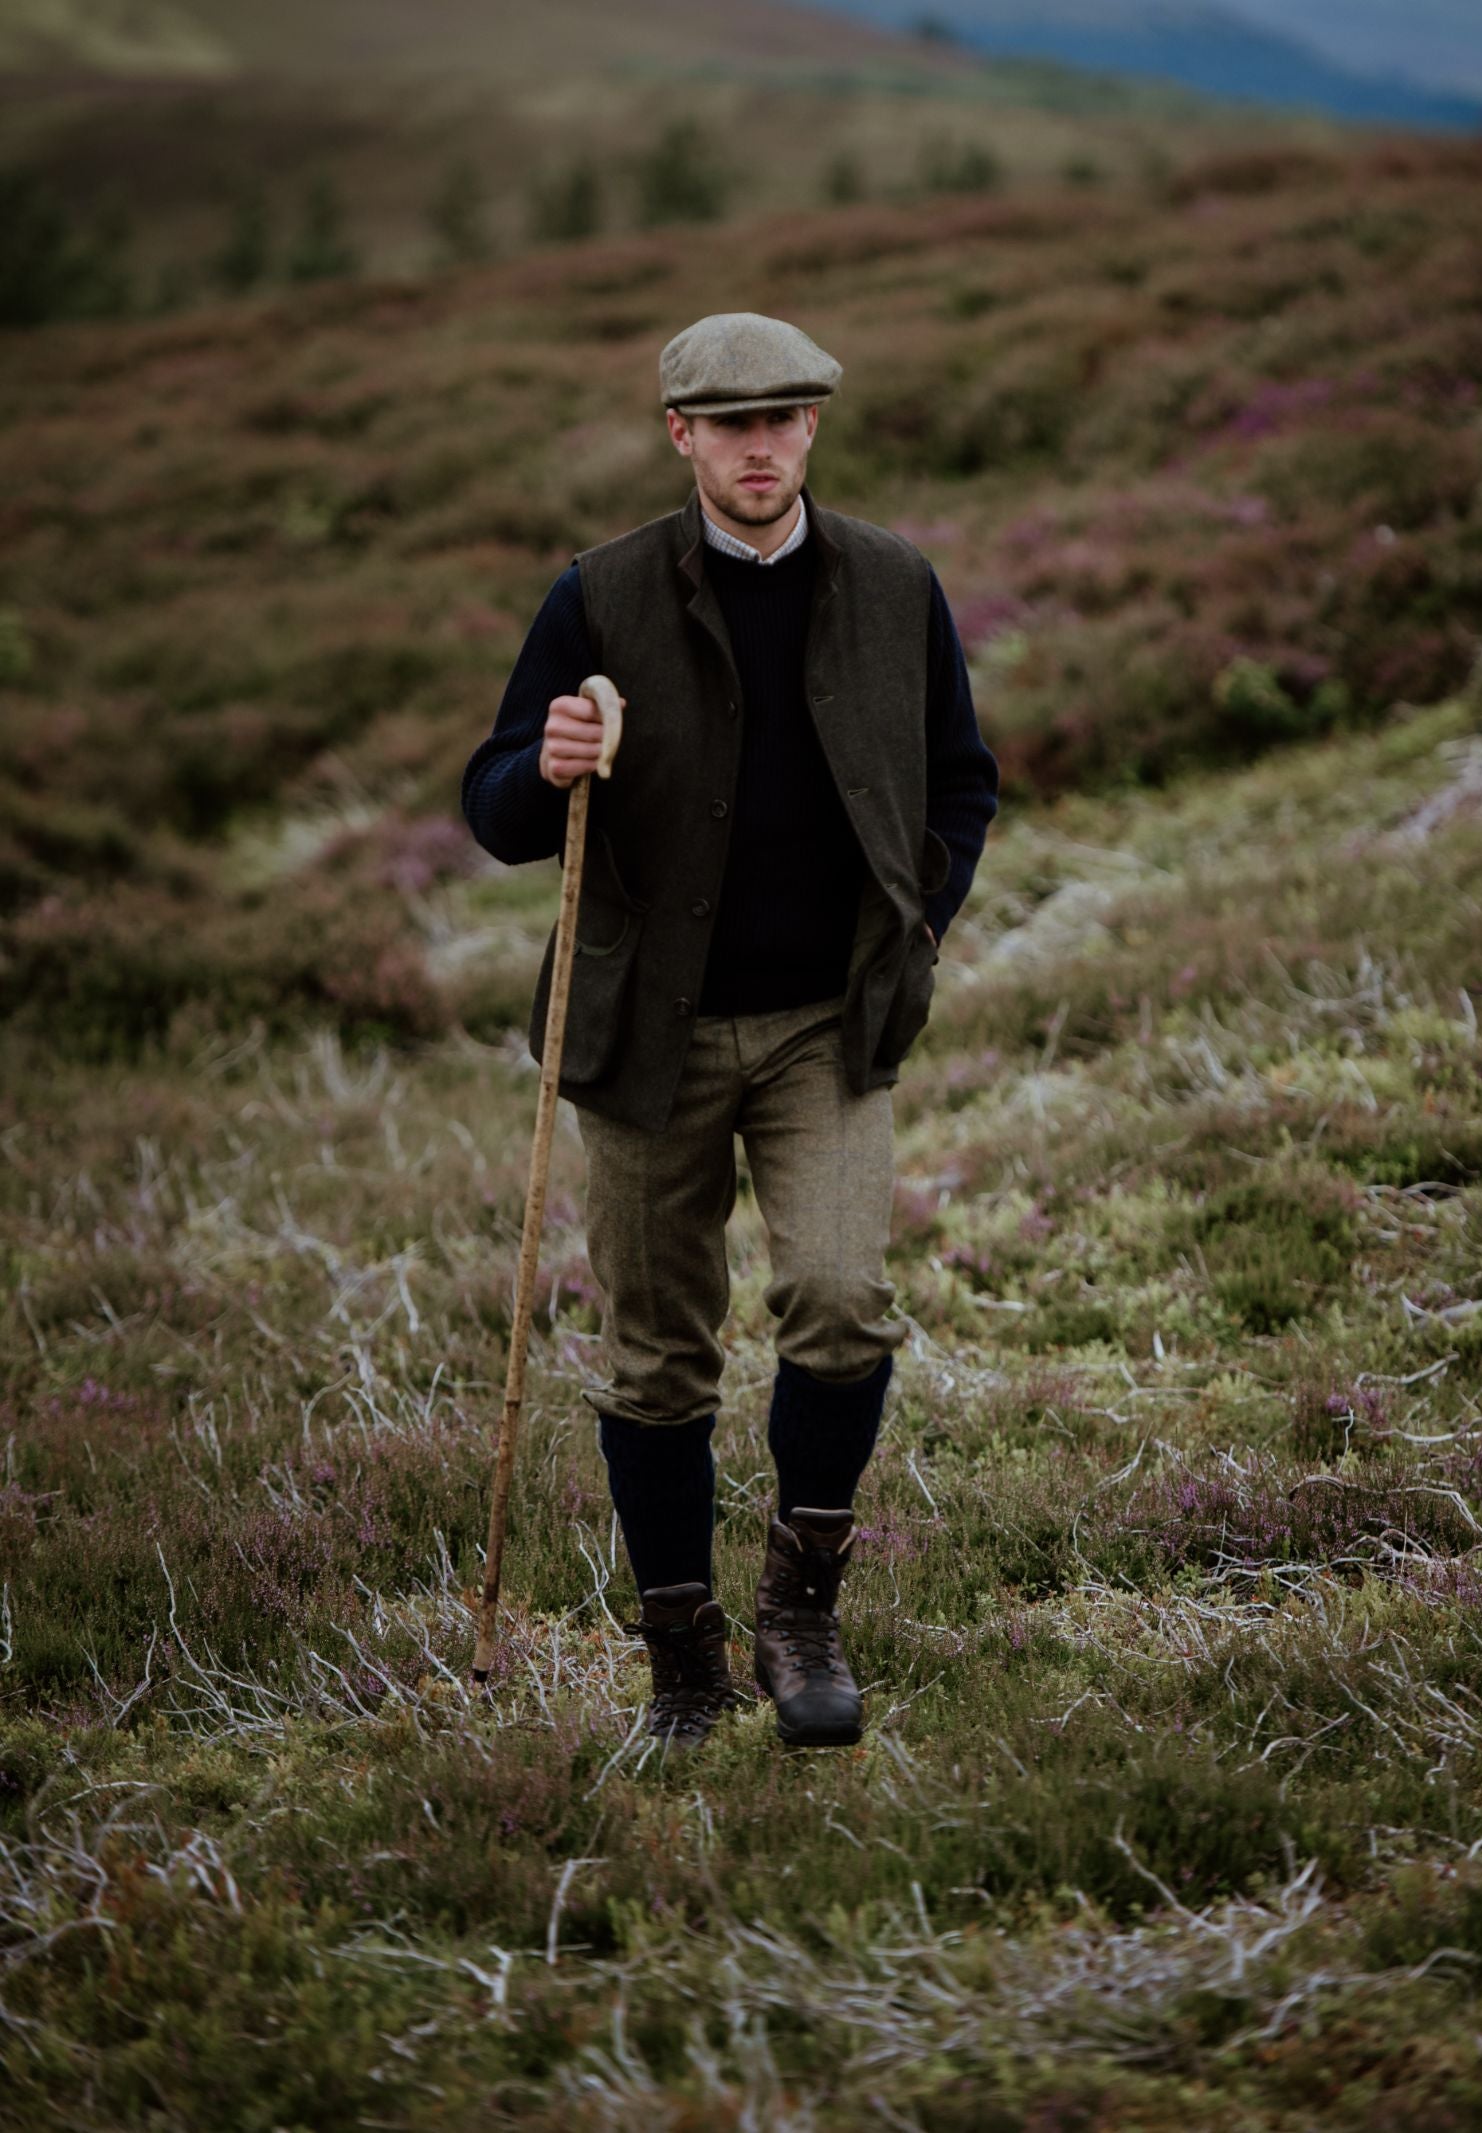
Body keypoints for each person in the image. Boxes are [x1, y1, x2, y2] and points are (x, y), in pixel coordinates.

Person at [461, 311, 998, 1752]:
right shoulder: (599, 595)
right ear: (681, 436)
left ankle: (800, 1615)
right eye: (730, 424)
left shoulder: (894, 584)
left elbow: (962, 780)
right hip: (650, 1037)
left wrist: (920, 922)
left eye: (782, 419)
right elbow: (496, 805)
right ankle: (683, 1664)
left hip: (831, 1025)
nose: (760, 447)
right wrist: (545, 764)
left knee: (839, 1301)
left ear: (812, 426)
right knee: (656, 1358)